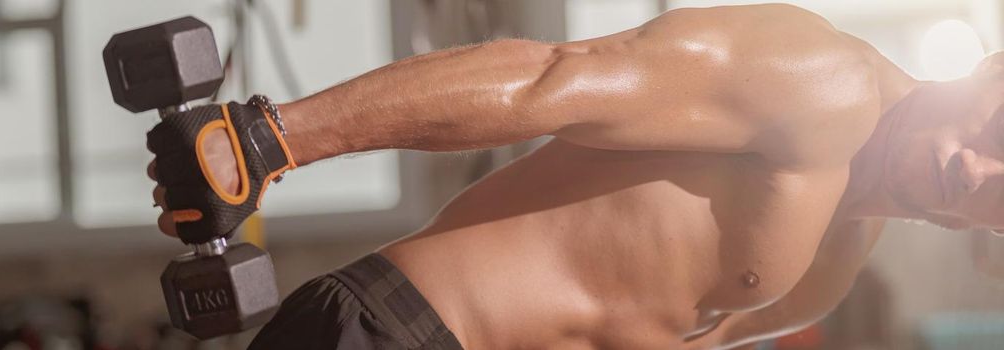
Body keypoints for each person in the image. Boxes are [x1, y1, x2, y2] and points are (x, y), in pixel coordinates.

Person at [147, 4, 1004, 349]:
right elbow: (548, 80)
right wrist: (268, 141)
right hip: (406, 333)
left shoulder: (834, 266)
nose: (972, 166)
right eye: (994, 131)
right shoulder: (823, 84)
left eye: (997, 190)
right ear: (988, 72)